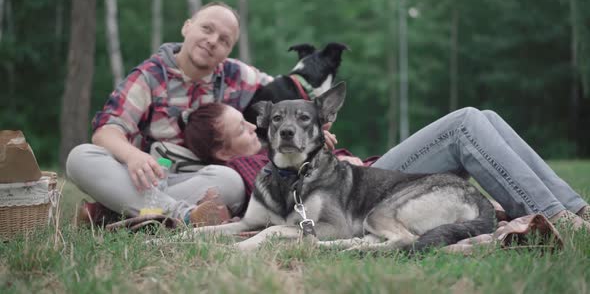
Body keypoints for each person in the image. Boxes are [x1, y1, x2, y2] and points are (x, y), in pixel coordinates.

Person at [184, 102, 590, 230]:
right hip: (379, 184)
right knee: (465, 123)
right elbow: (287, 195)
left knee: (485, 116)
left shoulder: (281, 134)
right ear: (224, 151)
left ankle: (574, 206)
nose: (253, 127)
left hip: (371, 171)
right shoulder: (252, 166)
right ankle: (555, 217)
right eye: (241, 126)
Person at [66, 1, 273, 226]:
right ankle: (182, 215)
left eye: (224, 40)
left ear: (229, 50)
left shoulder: (237, 75)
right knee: (80, 158)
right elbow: (106, 131)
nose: (213, 41)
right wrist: (133, 156)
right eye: (207, 29)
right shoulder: (149, 76)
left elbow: (290, 91)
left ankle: (114, 211)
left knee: (232, 182)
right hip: (142, 178)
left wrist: (318, 121)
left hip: (193, 179)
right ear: (187, 27)